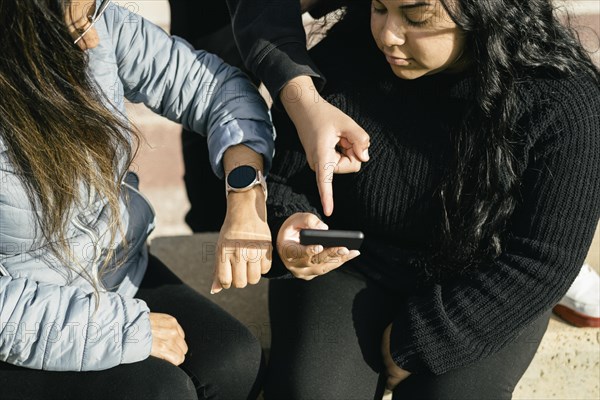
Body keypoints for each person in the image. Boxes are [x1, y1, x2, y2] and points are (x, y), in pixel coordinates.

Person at [261, 1, 600, 399]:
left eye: (415, 16)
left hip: (484, 277)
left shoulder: (562, 100)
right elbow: (284, 181)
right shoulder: (342, 58)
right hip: (352, 261)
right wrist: (287, 224)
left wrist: (417, 341)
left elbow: (540, 261)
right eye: (379, 7)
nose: (388, 34)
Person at [0, 0, 274, 399]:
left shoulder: (96, 21)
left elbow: (215, 87)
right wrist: (119, 329)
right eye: (74, 26)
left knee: (234, 361)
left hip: (112, 271)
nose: (93, 37)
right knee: (159, 391)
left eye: (92, 9)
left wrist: (244, 193)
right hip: (25, 316)